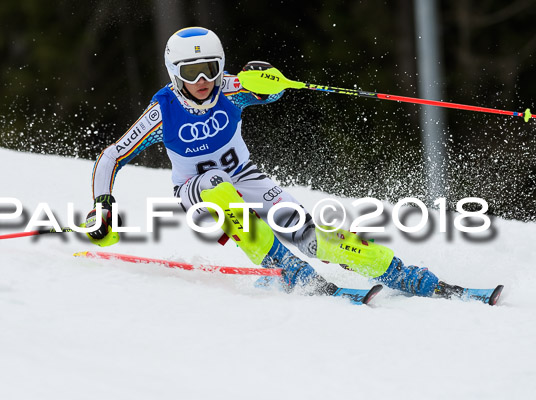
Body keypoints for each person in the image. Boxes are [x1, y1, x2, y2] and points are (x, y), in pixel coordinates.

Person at [85, 26, 460, 299]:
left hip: (245, 176)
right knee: (216, 183)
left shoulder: (232, 90)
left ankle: (397, 272)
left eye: (210, 68)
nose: (202, 80)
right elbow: (111, 155)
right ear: (174, 73)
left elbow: (273, 91)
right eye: (190, 72)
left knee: (308, 233)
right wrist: (103, 207)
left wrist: (268, 80)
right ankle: (286, 268)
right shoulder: (163, 111)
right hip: (196, 194)